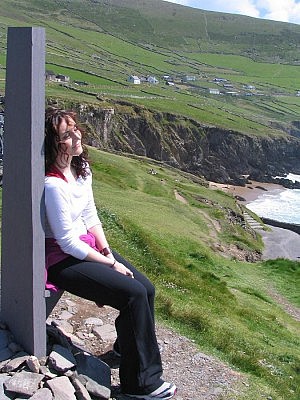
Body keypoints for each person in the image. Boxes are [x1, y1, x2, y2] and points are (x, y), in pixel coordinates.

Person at [44, 107, 177, 399]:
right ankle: (141, 385)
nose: (77, 135)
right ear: (55, 143)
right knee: (132, 294)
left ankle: (124, 348)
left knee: (146, 288)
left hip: (87, 247)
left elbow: (90, 215)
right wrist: (110, 264)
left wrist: (108, 252)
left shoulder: (81, 168)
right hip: (62, 259)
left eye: (75, 128)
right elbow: (66, 242)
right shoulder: (53, 185)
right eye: (67, 134)